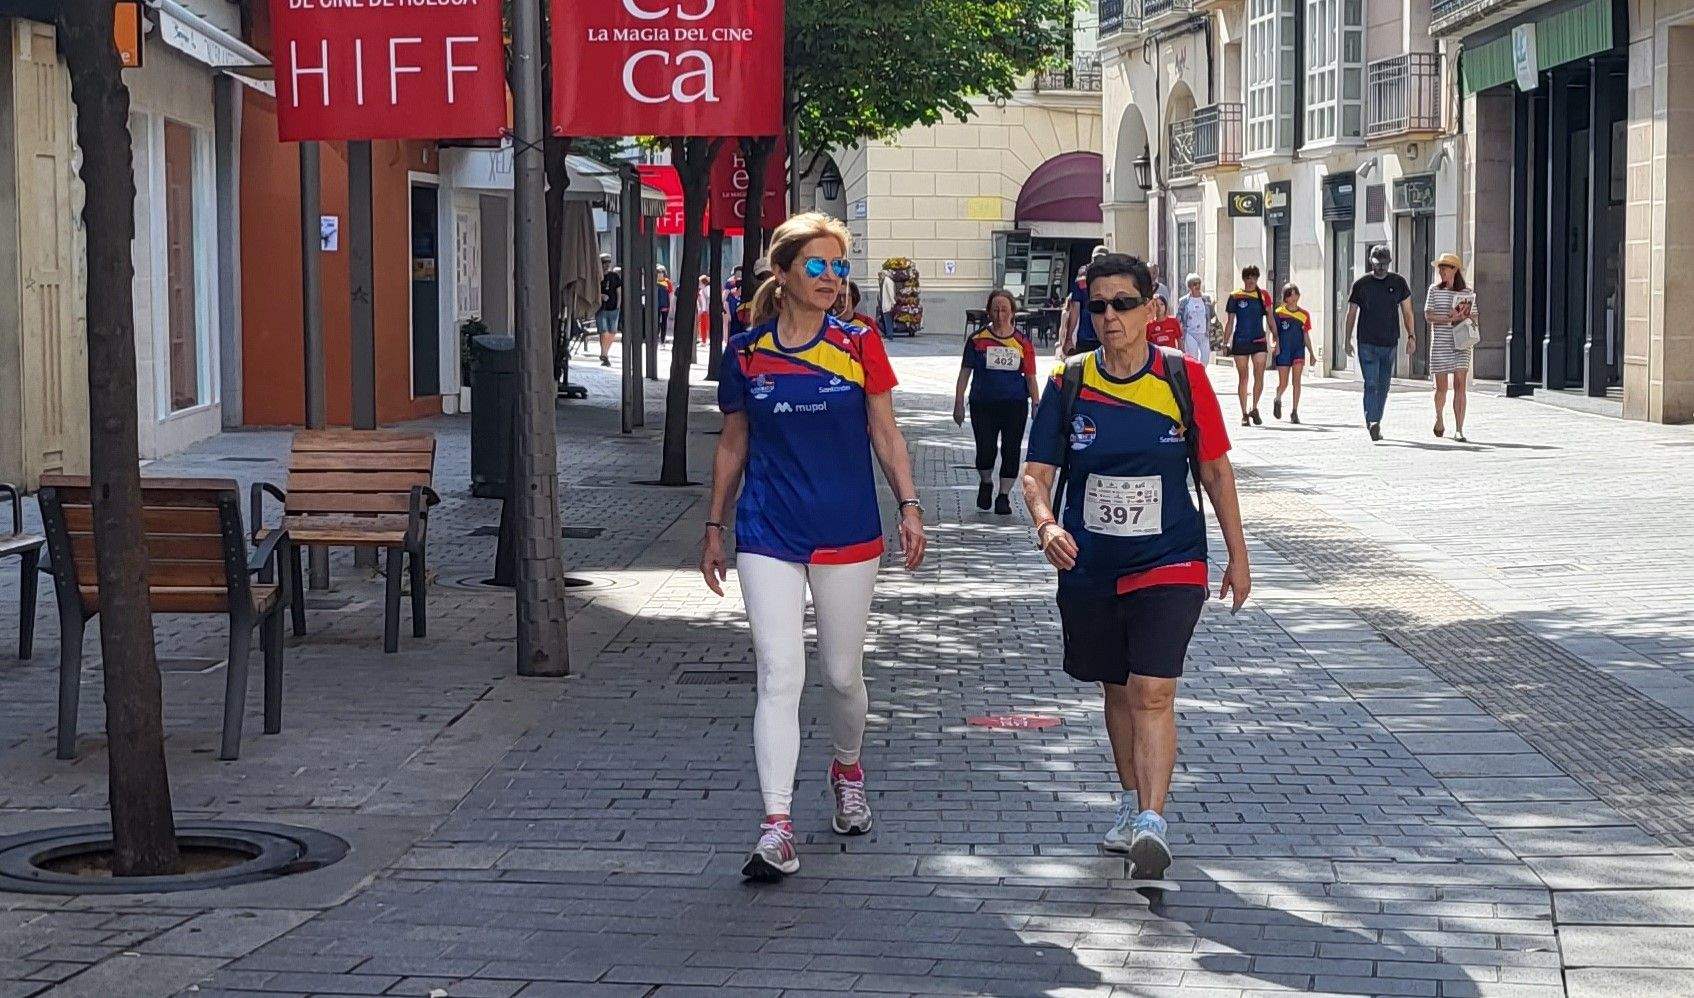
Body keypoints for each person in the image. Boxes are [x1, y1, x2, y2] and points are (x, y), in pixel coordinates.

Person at [701, 212, 927, 883]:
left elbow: (885, 432)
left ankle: (847, 769)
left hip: (847, 528)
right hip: (767, 529)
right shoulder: (746, 352)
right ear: (783, 273)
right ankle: (776, 826)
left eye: (840, 267)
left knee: (840, 676)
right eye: (818, 266)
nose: (832, 278)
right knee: (779, 673)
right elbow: (733, 443)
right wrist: (714, 526)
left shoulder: (859, 343)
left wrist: (909, 505)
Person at [1020, 252, 1251, 881]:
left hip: (1170, 556)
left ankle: (1153, 820)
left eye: (1123, 303)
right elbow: (1036, 474)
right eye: (1098, 306)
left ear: (1152, 308)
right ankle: (1129, 803)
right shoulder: (1069, 381)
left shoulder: (1183, 378)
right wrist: (1046, 524)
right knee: (1118, 688)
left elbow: (1215, 471)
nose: (1110, 316)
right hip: (1091, 564)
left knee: (1153, 689)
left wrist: (1238, 554)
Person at [953, 289, 1041, 514]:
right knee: (985, 448)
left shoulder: (1022, 342)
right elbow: (965, 372)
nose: (1000, 315)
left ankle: (1003, 495)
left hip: (1014, 405)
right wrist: (958, 403)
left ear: (1012, 312)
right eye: (995, 310)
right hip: (983, 404)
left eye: (1004, 310)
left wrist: (1036, 405)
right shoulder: (977, 340)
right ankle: (986, 482)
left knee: (1011, 450)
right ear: (989, 312)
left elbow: (1031, 376)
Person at [1345, 244, 1415, 441]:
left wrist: (1411, 336)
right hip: (1366, 342)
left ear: (1389, 262)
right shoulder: (1361, 284)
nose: (1381, 267)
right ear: (1371, 262)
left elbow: (1407, 311)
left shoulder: (1398, 282)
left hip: (1390, 342)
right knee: (1371, 383)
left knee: (1384, 385)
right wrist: (1346, 339)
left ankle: (1376, 420)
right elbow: (1351, 313)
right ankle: (1373, 420)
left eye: (1384, 264)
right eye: (1378, 264)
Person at [1425, 253, 1476, 442]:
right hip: (1441, 343)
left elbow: (1475, 317)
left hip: (1461, 343)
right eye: (1440, 268)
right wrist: (1448, 318)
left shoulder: (1466, 292)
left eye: (1444, 267)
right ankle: (1439, 417)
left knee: (1460, 385)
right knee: (1442, 387)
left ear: (1454, 269)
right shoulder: (1434, 290)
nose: (1441, 271)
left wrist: (1464, 316)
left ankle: (1459, 429)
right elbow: (1428, 315)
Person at [1222, 266, 1275, 426]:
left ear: (1257, 278)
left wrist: (1276, 336)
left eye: (1254, 277)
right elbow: (1230, 321)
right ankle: (1244, 413)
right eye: (1247, 277)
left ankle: (1255, 407)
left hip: (1259, 339)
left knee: (1259, 375)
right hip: (1241, 340)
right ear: (1243, 279)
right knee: (1243, 377)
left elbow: (1270, 318)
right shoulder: (1235, 296)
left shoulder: (1263, 295)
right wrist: (1225, 342)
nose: (1251, 280)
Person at [1271, 284, 1316, 424]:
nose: (1294, 297)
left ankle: (1294, 411)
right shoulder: (1278, 313)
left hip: (1298, 350)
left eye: (1296, 294)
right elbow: (1274, 332)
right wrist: (1275, 346)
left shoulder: (1304, 314)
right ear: (1285, 297)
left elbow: (1306, 335)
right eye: (1291, 294)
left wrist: (1312, 353)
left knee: (1297, 381)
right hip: (1284, 350)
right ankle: (1278, 398)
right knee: (1283, 383)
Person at [1059, 245, 1111, 358]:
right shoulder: (1083, 279)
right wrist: (1068, 338)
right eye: (1097, 259)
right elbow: (1074, 309)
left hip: (1104, 336)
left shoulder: (1113, 278)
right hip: (1090, 336)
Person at [1175, 273, 1215, 364]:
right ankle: (1193, 372)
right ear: (1189, 286)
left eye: (1199, 283)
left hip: (1204, 333)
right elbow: (1178, 318)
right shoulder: (1184, 301)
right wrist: (1180, 334)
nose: (1197, 286)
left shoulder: (1207, 298)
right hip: (1190, 333)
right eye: (1194, 284)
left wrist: (1212, 306)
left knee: (1205, 359)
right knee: (1193, 358)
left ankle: (1201, 372)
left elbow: (1212, 315)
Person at [597, 253, 622, 368]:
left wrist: (618, 305)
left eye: (608, 262)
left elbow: (619, 291)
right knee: (604, 331)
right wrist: (601, 295)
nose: (606, 265)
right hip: (601, 308)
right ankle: (604, 354)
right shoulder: (597, 277)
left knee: (612, 332)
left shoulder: (614, 276)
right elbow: (593, 291)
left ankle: (604, 353)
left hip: (613, 307)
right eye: (604, 263)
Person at [655, 265, 673, 344]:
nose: (659, 274)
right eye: (658, 272)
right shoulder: (654, 281)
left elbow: (670, 294)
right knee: (656, 322)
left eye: (661, 272)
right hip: (656, 305)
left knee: (664, 322)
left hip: (665, 305)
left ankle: (662, 339)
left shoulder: (667, 282)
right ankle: (656, 338)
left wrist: (669, 305)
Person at [696, 275, 711, 347]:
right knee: (702, 326)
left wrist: (707, 308)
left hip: (706, 310)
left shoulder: (707, 289)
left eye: (700, 282)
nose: (699, 284)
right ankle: (703, 340)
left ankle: (707, 340)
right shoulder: (702, 290)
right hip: (702, 310)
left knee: (706, 325)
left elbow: (708, 298)